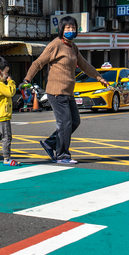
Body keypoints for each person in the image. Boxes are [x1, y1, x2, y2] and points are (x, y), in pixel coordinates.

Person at [22, 15, 108, 164]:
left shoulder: (73, 47)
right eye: (68, 28)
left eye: (73, 28)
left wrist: (99, 77)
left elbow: (84, 65)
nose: (70, 30)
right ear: (62, 29)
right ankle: (62, 155)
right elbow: (38, 63)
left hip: (68, 92)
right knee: (65, 123)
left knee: (75, 121)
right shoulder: (55, 45)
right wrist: (27, 79)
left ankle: (50, 143)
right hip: (56, 91)